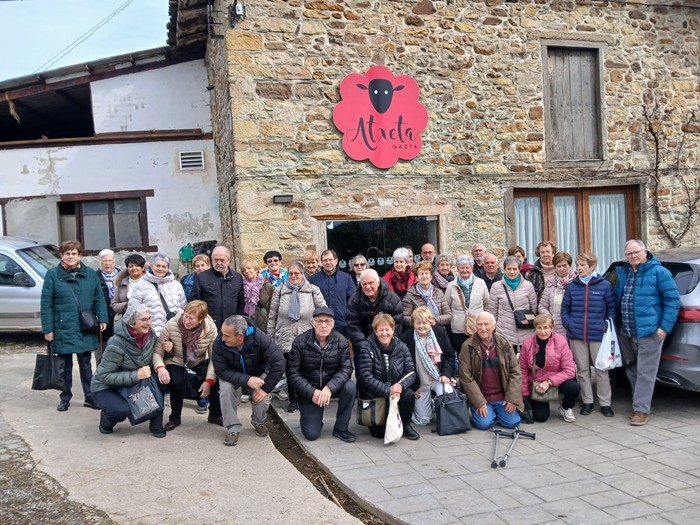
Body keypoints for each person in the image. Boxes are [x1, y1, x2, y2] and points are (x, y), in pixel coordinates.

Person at [615, 240, 680, 426]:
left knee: (646, 372)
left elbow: (672, 300)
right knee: (631, 368)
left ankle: (641, 410)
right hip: (627, 330)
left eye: (636, 252)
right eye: (629, 254)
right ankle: (640, 402)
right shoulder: (625, 272)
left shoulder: (659, 272)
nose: (633, 256)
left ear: (645, 252)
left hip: (649, 331)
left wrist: (664, 328)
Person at [41, 240, 108, 412]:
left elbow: (99, 298)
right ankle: (65, 397)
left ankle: (90, 397)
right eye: (67, 253)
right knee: (65, 366)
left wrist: (103, 319)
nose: (70, 257)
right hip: (63, 327)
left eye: (74, 253)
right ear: (62, 255)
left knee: (86, 364)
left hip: (85, 327)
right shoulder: (52, 275)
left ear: (79, 255)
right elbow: (46, 303)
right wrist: (48, 329)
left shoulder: (90, 274)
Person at [90, 304, 165, 437]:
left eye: (149, 318)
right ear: (131, 322)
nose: (148, 322)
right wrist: (136, 375)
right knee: (120, 410)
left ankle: (156, 426)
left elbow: (154, 356)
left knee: (160, 380)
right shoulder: (116, 343)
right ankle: (106, 421)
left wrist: (168, 351)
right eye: (143, 319)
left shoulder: (150, 335)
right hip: (106, 387)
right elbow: (104, 376)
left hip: (131, 382)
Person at [212, 315, 285, 446]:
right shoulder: (219, 343)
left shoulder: (260, 338)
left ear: (240, 336)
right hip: (231, 374)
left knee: (263, 394)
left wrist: (265, 389)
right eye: (222, 333)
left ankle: (258, 421)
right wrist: (247, 379)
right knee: (226, 390)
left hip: (257, 372)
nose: (222, 338)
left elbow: (279, 363)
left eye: (227, 336)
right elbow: (221, 371)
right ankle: (232, 428)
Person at [286, 307, 356, 442]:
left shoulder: (340, 341)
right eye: (319, 321)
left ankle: (341, 428)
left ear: (333, 324)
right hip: (310, 390)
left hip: (331, 387)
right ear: (313, 323)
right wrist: (312, 392)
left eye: (327, 321)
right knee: (311, 434)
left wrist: (329, 388)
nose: (323, 325)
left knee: (350, 387)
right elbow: (293, 373)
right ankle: (315, 419)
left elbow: (346, 368)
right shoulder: (300, 342)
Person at [561, 252, 617, 417]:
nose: (579, 268)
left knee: (601, 369)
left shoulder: (604, 285)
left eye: (583, 265)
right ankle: (587, 402)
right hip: (576, 335)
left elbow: (611, 309)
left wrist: (605, 326)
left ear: (592, 266)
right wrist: (569, 324)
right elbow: (565, 309)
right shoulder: (572, 286)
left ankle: (605, 403)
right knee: (583, 370)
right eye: (577, 265)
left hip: (598, 334)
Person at [268, 260, 326, 411]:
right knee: (291, 370)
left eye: (297, 273)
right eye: (291, 273)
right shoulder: (280, 291)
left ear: (302, 274)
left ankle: (307, 397)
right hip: (285, 338)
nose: (294, 276)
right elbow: (272, 316)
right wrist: (271, 338)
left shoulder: (312, 290)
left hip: (306, 337)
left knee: (307, 369)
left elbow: (324, 312)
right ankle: (293, 399)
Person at [153, 300, 220, 429]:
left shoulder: (210, 329)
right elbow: (157, 352)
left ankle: (215, 415)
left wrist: (209, 381)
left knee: (216, 380)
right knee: (176, 381)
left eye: (191, 319)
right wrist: (160, 368)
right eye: (186, 316)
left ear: (201, 320)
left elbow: (214, 358)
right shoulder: (172, 324)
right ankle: (175, 418)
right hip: (176, 360)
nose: (186, 321)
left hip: (198, 361)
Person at [356, 313, 420, 440]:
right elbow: (365, 376)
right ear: (375, 331)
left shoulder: (401, 346)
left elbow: (411, 371)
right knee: (379, 434)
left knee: (408, 394)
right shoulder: (366, 348)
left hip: (396, 392)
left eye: (387, 329)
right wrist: (387, 390)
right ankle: (386, 420)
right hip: (375, 394)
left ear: (393, 329)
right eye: (380, 330)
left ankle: (405, 424)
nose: (384, 333)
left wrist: (400, 386)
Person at [458, 312, 523, 430]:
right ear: (475, 326)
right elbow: (465, 377)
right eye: (480, 324)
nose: (483, 328)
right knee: (484, 424)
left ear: (493, 326)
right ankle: (489, 412)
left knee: (513, 423)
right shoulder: (467, 346)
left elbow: (515, 372)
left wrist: (512, 399)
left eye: (486, 324)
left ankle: (495, 412)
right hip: (482, 396)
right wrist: (479, 402)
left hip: (502, 397)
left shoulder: (505, 344)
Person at [519, 314, 580, 423]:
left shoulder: (561, 342)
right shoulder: (527, 343)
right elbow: (523, 370)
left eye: (546, 327)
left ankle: (566, 407)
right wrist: (525, 394)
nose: (542, 332)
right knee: (541, 417)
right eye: (539, 328)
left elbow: (570, 370)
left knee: (574, 387)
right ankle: (535, 402)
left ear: (552, 328)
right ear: (535, 328)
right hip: (537, 385)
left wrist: (549, 382)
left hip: (555, 381)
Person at [399, 307, 455, 426]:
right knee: (423, 420)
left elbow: (450, 355)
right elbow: (402, 367)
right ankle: (427, 404)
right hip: (420, 383)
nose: (421, 326)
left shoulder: (440, 332)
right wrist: (412, 388)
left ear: (430, 322)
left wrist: (446, 374)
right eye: (418, 323)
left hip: (438, 378)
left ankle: (437, 404)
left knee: (449, 397)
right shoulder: (405, 338)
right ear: (413, 323)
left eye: (424, 323)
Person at [129, 253, 186, 337]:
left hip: (175, 332)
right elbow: (133, 310)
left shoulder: (176, 285)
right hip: (151, 334)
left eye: (164, 266)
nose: (161, 269)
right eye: (158, 265)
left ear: (168, 268)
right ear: (151, 266)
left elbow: (183, 307)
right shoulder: (141, 285)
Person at [488, 255, 537, 353]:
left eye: (515, 269)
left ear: (519, 269)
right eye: (509, 269)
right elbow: (493, 311)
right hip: (505, 331)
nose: (512, 272)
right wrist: (496, 328)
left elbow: (534, 308)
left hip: (526, 331)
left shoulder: (528, 285)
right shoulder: (496, 286)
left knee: (527, 362)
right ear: (504, 269)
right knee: (507, 363)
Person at [346, 268, 404, 349]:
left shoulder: (393, 300)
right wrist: (365, 347)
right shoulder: (354, 301)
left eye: (370, 283)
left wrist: (386, 344)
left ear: (378, 282)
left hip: (388, 345)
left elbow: (396, 326)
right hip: (364, 347)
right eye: (364, 284)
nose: (368, 287)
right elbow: (354, 327)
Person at [190, 245, 244, 330]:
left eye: (222, 260)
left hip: (231, 327)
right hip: (208, 327)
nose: (218, 263)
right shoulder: (201, 277)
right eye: (216, 260)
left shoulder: (237, 277)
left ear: (228, 260)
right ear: (211, 259)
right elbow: (194, 302)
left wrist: (240, 324)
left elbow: (241, 303)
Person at [444, 255, 490, 355]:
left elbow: (487, 304)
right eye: (462, 267)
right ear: (457, 269)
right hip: (458, 328)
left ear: (472, 268)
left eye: (467, 267)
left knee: (478, 354)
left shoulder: (481, 283)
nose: (465, 270)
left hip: (477, 326)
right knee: (462, 355)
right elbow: (447, 306)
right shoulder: (451, 285)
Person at [310, 249, 355, 337]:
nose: (328, 262)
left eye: (330, 260)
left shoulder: (346, 278)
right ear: (321, 262)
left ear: (336, 261)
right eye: (325, 260)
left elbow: (353, 301)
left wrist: (348, 318)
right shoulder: (313, 280)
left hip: (342, 325)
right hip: (321, 325)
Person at [402, 261, 451, 327]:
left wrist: (434, 320)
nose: (424, 276)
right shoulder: (410, 295)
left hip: (438, 331)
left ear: (430, 277)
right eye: (421, 274)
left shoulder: (438, 293)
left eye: (426, 273)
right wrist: (420, 322)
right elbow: (405, 317)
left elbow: (448, 315)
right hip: (419, 330)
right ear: (416, 278)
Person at [538, 251, 576, 336]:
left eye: (564, 265)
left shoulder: (577, 283)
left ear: (570, 266)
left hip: (573, 328)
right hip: (555, 328)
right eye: (558, 266)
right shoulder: (551, 284)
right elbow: (542, 306)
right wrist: (549, 317)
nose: (562, 269)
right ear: (555, 268)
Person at [95, 249, 119, 357]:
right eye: (104, 261)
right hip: (103, 315)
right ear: (100, 262)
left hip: (119, 314)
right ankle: (101, 371)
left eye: (110, 260)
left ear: (114, 261)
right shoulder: (95, 277)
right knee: (103, 347)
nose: (107, 263)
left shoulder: (122, 275)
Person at [240, 256, 275, 333]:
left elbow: (274, 308)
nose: (246, 271)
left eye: (249, 268)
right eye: (244, 270)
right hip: (247, 326)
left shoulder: (268, 287)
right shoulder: (241, 287)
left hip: (265, 326)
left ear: (256, 269)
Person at [112, 254, 146, 321]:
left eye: (137, 265)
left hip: (147, 318)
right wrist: (126, 305)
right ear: (127, 269)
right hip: (127, 319)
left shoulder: (150, 281)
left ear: (143, 268)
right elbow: (114, 304)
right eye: (131, 266)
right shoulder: (121, 283)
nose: (134, 268)